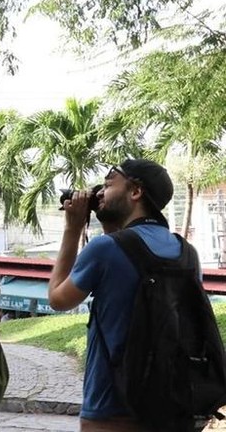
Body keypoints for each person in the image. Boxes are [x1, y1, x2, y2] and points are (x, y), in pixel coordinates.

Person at [48, 159, 190, 431]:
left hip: (110, 408)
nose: (99, 192)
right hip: (171, 402)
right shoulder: (185, 252)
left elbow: (58, 298)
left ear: (135, 192)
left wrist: (72, 228)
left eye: (108, 185)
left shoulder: (104, 249)